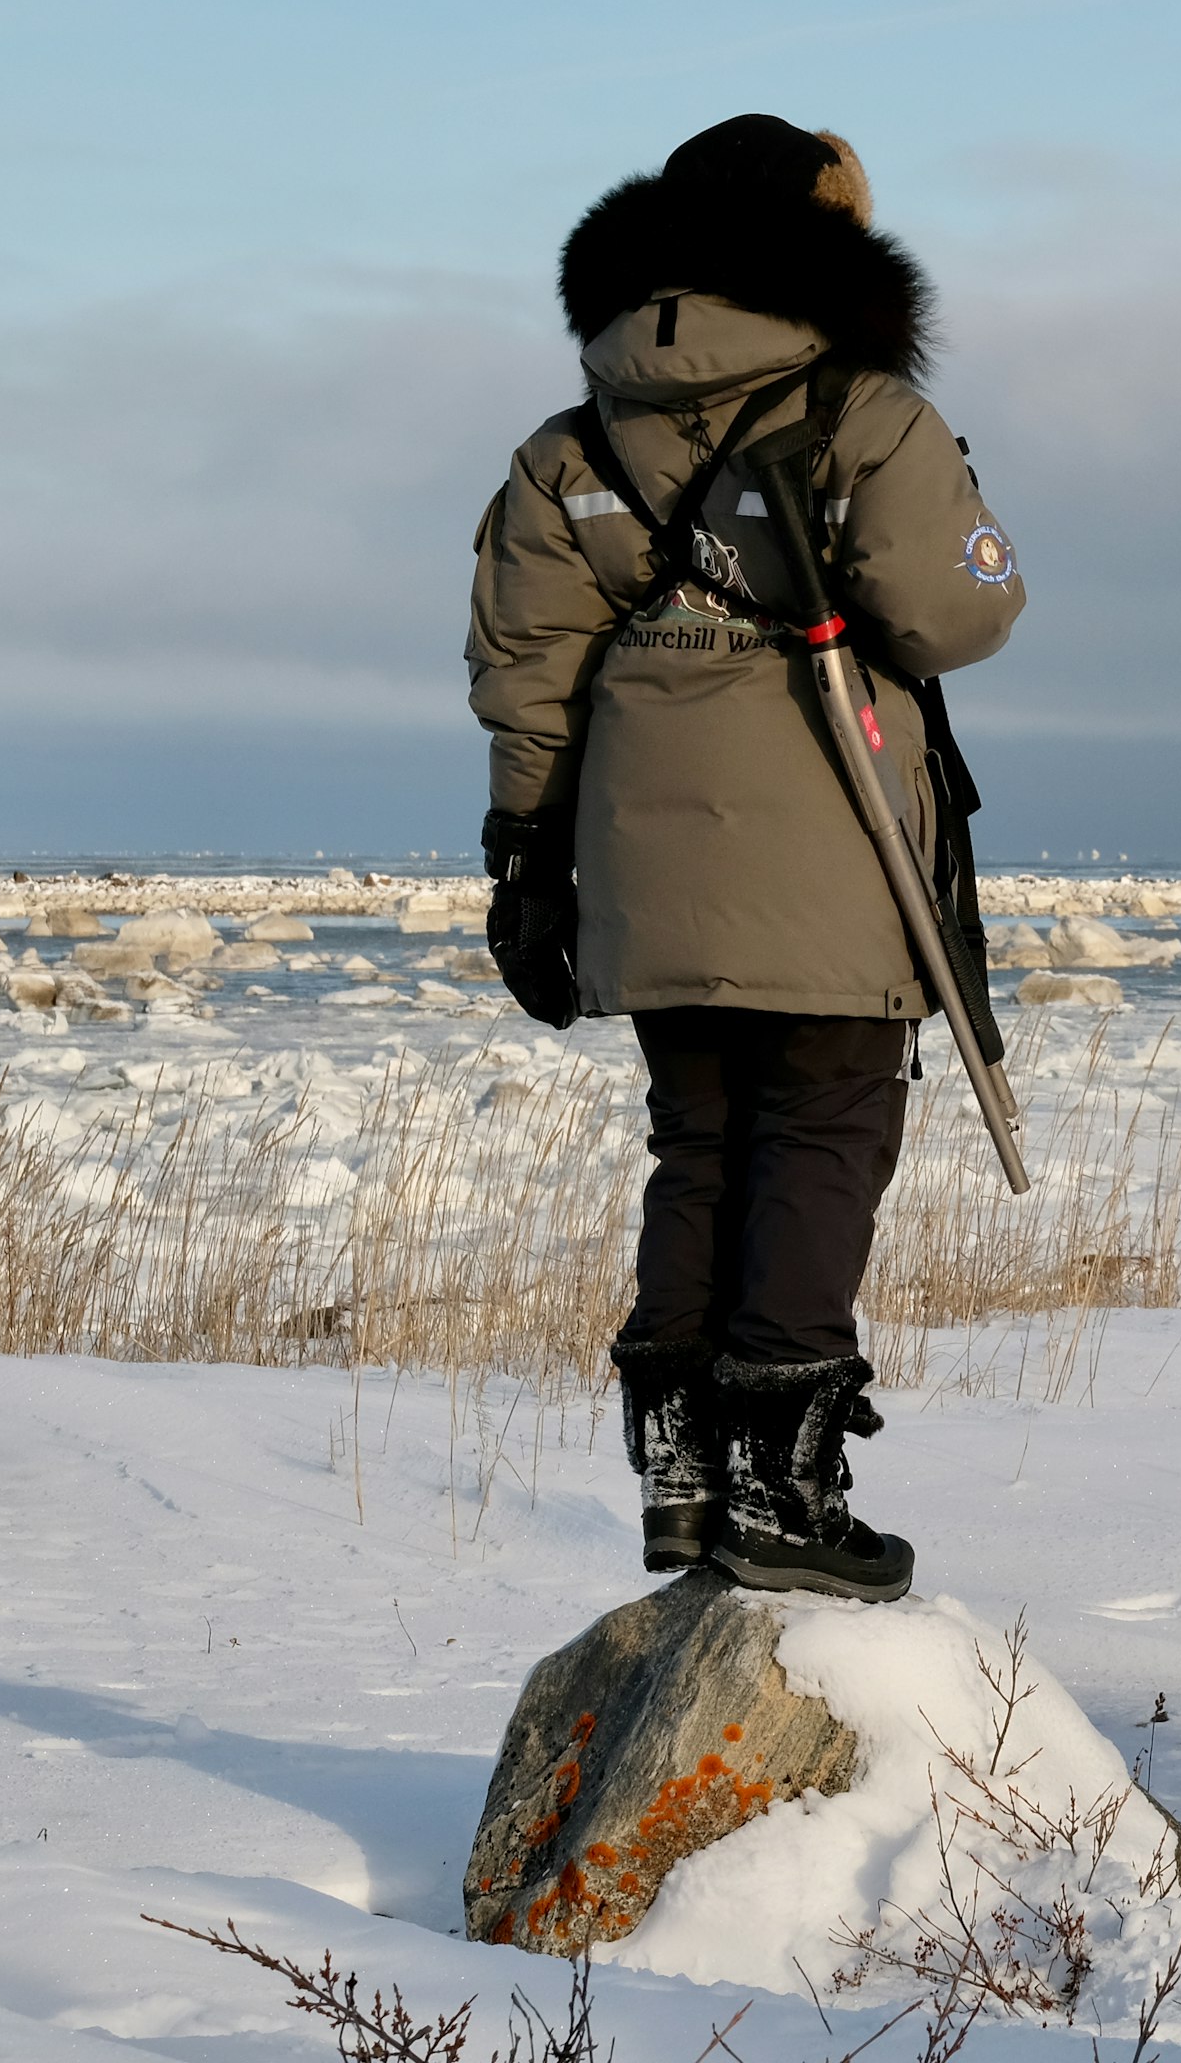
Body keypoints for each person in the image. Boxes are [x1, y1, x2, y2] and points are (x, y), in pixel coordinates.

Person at [467, 116, 1025, 1602]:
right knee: (827, 1133)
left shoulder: (573, 442)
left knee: (701, 1141)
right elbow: (953, 618)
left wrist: (526, 854)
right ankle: (782, 1482)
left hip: (643, 863)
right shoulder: (861, 410)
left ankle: (683, 1472)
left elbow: (529, 667)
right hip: (831, 837)